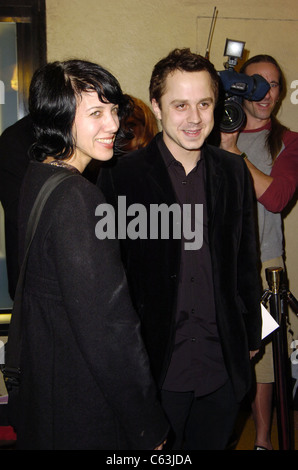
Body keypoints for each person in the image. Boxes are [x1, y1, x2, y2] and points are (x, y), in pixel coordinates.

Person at [99, 48, 262, 450]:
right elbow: (109, 280)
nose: (194, 118)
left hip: (221, 362)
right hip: (156, 366)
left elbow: (246, 260)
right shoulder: (122, 177)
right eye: (180, 105)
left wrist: (251, 334)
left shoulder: (233, 171)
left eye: (204, 103)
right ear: (156, 105)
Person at [12, 59, 168, 450]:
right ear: (59, 118)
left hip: (49, 391)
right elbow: (110, 330)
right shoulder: (78, 197)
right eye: (95, 112)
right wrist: (149, 425)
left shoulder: (38, 175)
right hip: (83, 408)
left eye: (113, 110)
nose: (114, 125)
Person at [220, 54, 298, 450]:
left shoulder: (286, 140)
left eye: (275, 84)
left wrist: (233, 152)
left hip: (264, 267)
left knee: (262, 362)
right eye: (257, 83)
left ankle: (263, 441)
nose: (267, 93)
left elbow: (278, 198)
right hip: (216, 263)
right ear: (239, 86)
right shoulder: (211, 131)